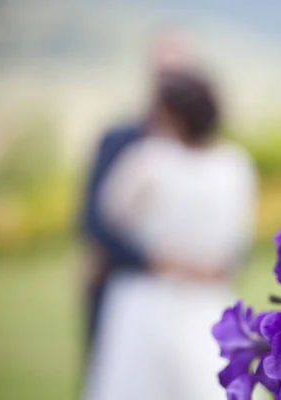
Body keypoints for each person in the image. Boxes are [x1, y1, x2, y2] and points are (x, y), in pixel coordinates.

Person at [84, 71, 257, 400]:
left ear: (172, 115)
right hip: (208, 293)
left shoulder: (149, 159)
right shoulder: (235, 163)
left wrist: (157, 258)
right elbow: (238, 242)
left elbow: (108, 219)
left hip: (148, 296)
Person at [80, 27, 198, 351]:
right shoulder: (118, 139)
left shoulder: (206, 152)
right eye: (163, 74)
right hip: (122, 282)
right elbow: (93, 219)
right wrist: (152, 261)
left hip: (187, 295)